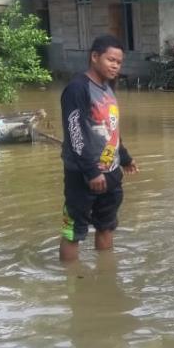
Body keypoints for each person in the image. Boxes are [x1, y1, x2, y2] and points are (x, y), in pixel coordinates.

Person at [60, 34, 138, 261]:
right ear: (94, 57)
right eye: (111, 60)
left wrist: (124, 157)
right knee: (73, 232)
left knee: (106, 226)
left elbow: (111, 130)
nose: (115, 66)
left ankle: (106, 277)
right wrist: (91, 171)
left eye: (119, 62)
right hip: (83, 176)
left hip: (111, 172)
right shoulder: (77, 88)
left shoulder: (107, 88)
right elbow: (75, 134)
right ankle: (73, 285)